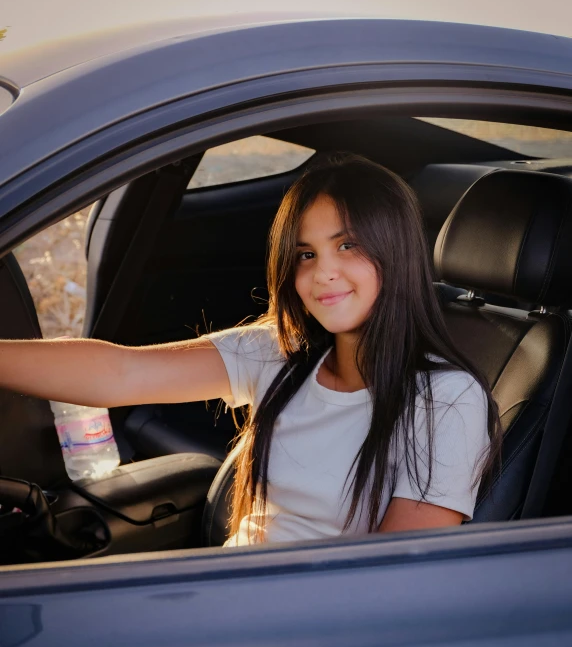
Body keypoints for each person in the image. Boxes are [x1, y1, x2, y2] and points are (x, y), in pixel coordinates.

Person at [0, 153, 501, 547]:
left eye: (347, 245)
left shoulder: (446, 399)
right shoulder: (285, 353)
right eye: (305, 254)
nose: (322, 271)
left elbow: (395, 580)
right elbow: (121, 372)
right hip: (229, 591)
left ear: (396, 250)